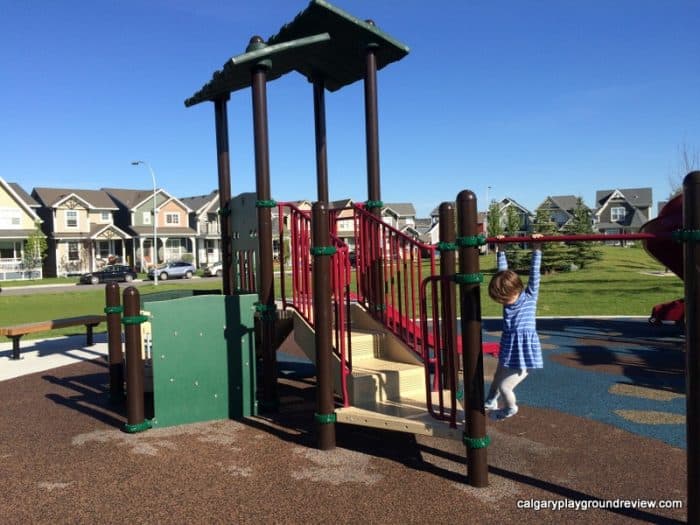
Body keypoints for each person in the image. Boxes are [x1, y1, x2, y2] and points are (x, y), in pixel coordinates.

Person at [484, 233, 544, 420]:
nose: (504, 302)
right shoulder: (507, 301)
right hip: (509, 348)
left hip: (524, 354)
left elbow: (535, 274)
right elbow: (502, 272)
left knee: (505, 386)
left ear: (516, 290)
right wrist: (501, 249)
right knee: (497, 375)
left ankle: (510, 409)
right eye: (500, 299)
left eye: (504, 298)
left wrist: (537, 249)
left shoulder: (529, 296)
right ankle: (491, 400)